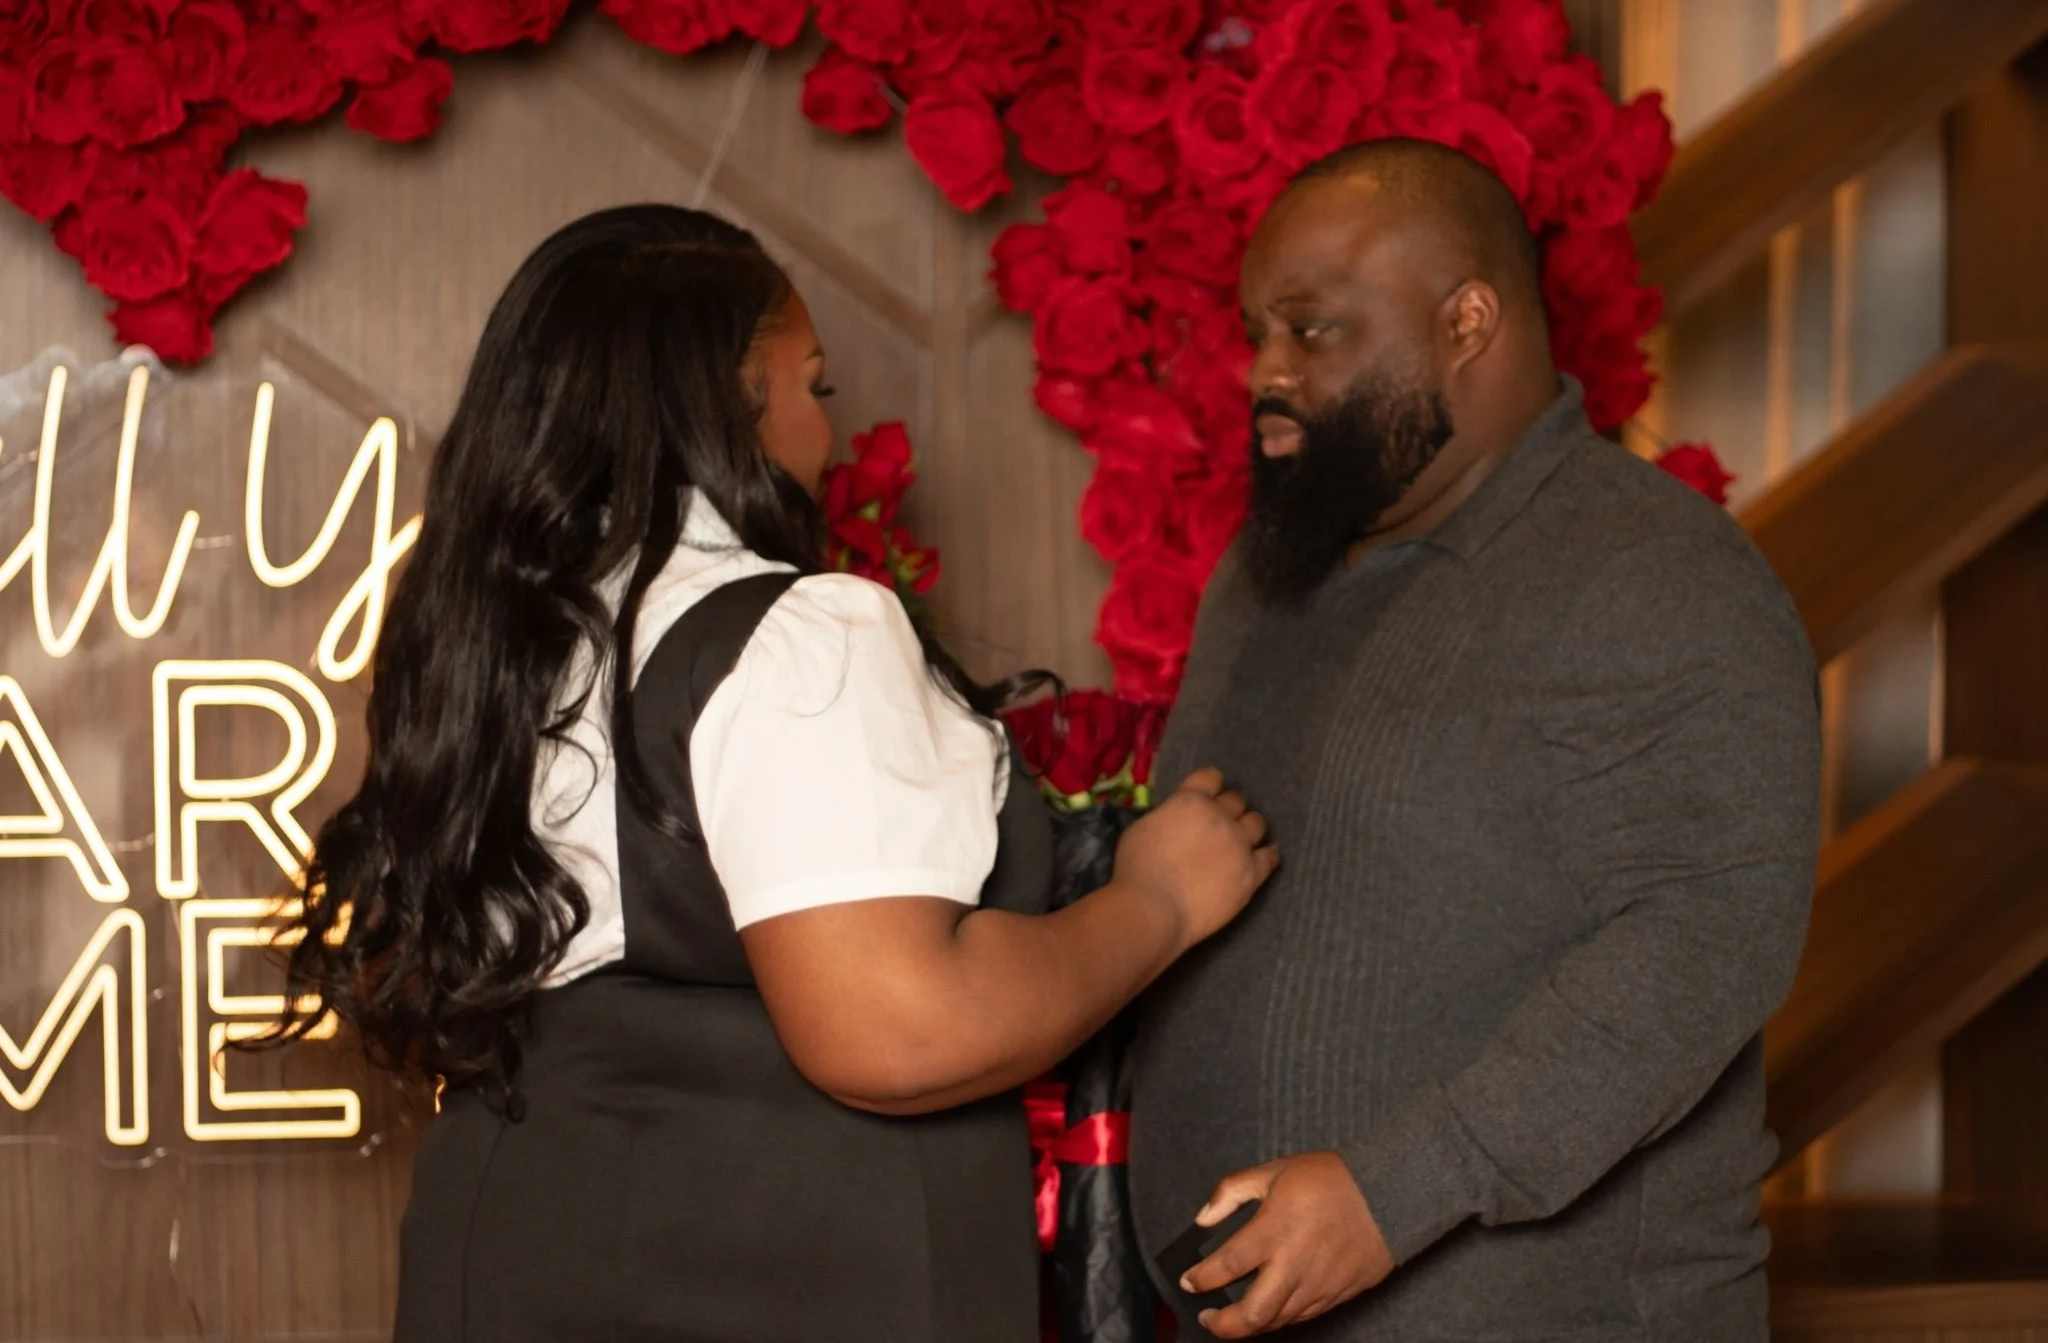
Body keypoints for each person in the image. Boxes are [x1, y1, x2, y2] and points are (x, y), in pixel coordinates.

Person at [267, 204, 1278, 1343]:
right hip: (773, 1281)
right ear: (725, 398)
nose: (827, 430)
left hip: (511, 1259)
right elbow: (898, 1031)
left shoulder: (492, 641)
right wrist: (1158, 901)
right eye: (814, 385)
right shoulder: (797, 634)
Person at [1128, 140, 1821, 1342]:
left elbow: (1705, 942)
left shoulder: (1653, 573)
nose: (1266, 372)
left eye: (1311, 330)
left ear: (1465, 322)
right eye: (1256, 334)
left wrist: (1393, 1192)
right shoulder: (1265, 572)